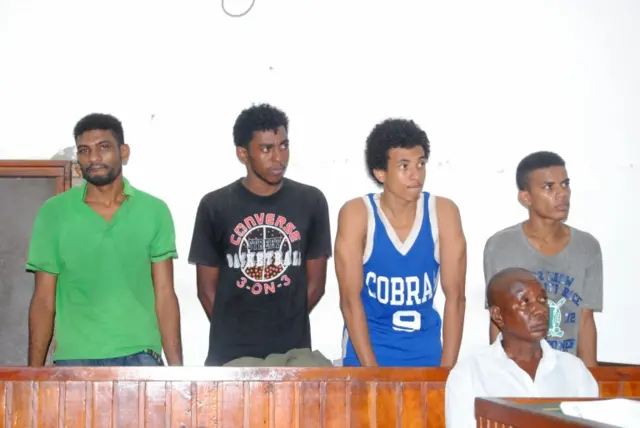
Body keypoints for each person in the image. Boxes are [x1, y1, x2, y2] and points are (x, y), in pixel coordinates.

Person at [26, 113, 183, 366]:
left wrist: (177, 374)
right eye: (85, 150)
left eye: (104, 147)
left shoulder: (154, 211)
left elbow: (165, 294)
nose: (94, 158)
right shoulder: (54, 213)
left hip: (141, 356)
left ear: (124, 152)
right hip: (74, 358)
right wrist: (32, 375)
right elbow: (44, 300)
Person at [188, 103, 332, 366]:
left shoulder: (311, 201)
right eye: (266, 149)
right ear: (243, 153)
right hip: (230, 356)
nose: (279, 158)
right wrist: (236, 332)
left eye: (284, 146)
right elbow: (206, 290)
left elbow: (316, 285)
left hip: (293, 354)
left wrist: (283, 328)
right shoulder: (215, 205)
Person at [336, 118, 466, 367]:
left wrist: (446, 371)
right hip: (368, 353)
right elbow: (350, 301)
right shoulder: (357, 214)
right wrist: (372, 374)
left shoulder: (443, 212)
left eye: (421, 164)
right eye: (404, 166)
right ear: (380, 172)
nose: (415, 174)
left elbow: (456, 297)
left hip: (426, 353)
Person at [483, 151, 602, 366]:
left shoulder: (587, 247)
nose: (562, 194)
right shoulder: (501, 247)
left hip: (566, 370)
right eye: (549, 187)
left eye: (565, 185)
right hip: (518, 368)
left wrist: (590, 378)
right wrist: (499, 375)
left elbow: (585, 320)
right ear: (526, 197)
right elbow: (497, 320)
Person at [445, 267, 599, 428]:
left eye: (542, 300)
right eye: (525, 302)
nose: (541, 311)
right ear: (498, 315)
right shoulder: (469, 374)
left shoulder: (574, 370)